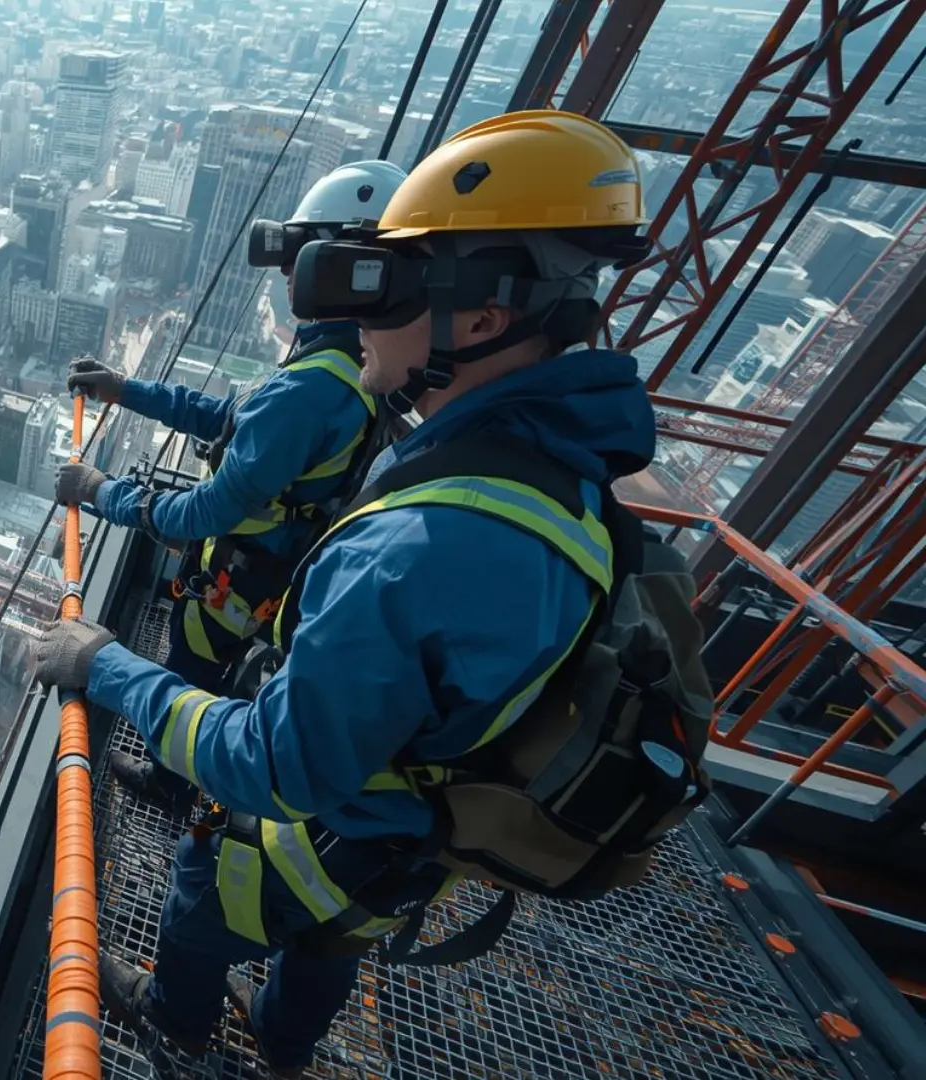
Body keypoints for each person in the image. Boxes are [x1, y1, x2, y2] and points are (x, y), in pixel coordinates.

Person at [32, 111, 657, 1077]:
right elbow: (236, 421)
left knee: (202, 903)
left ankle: (178, 1021)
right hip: (419, 826)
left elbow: (272, 766)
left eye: (387, 283)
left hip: (339, 816)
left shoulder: (429, 544)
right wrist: (131, 391)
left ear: (485, 316)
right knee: (333, 942)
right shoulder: (546, 479)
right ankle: (282, 1044)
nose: (359, 311)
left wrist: (104, 666)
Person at [55, 160, 407, 806]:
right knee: (208, 665)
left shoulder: (311, 386)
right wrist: (126, 390)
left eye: (298, 262)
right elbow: (228, 418)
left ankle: (171, 782)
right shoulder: (343, 360)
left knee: (193, 671)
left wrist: (101, 493)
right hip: (276, 561)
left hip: (246, 576)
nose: (283, 276)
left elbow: (207, 511)